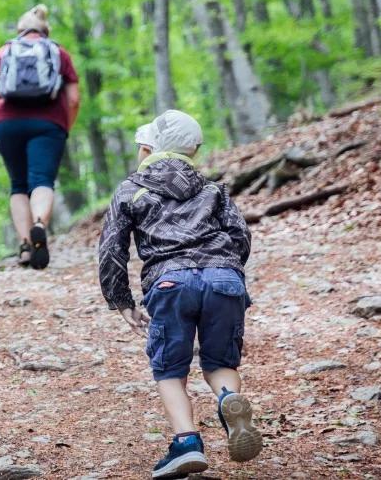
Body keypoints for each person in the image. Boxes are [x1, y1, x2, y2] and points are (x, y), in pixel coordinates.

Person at [97, 110, 262, 479]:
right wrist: (228, 274)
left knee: (170, 368)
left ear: (147, 149)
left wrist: (121, 300)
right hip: (224, 280)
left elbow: (111, 249)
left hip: (170, 283)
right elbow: (240, 236)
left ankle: (186, 443)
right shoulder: (211, 188)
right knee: (221, 362)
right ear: (195, 150)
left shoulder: (131, 189)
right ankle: (226, 400)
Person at [0, 4, 80, 269]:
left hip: (8, 123)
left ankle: (26, 245)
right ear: (45, 30)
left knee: (18, 184)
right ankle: (39, 224)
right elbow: (73, 98)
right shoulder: (59, 53)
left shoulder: (4, 51)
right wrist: (65, 125)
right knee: (42, 180)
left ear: (20, 30)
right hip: (48, 123)